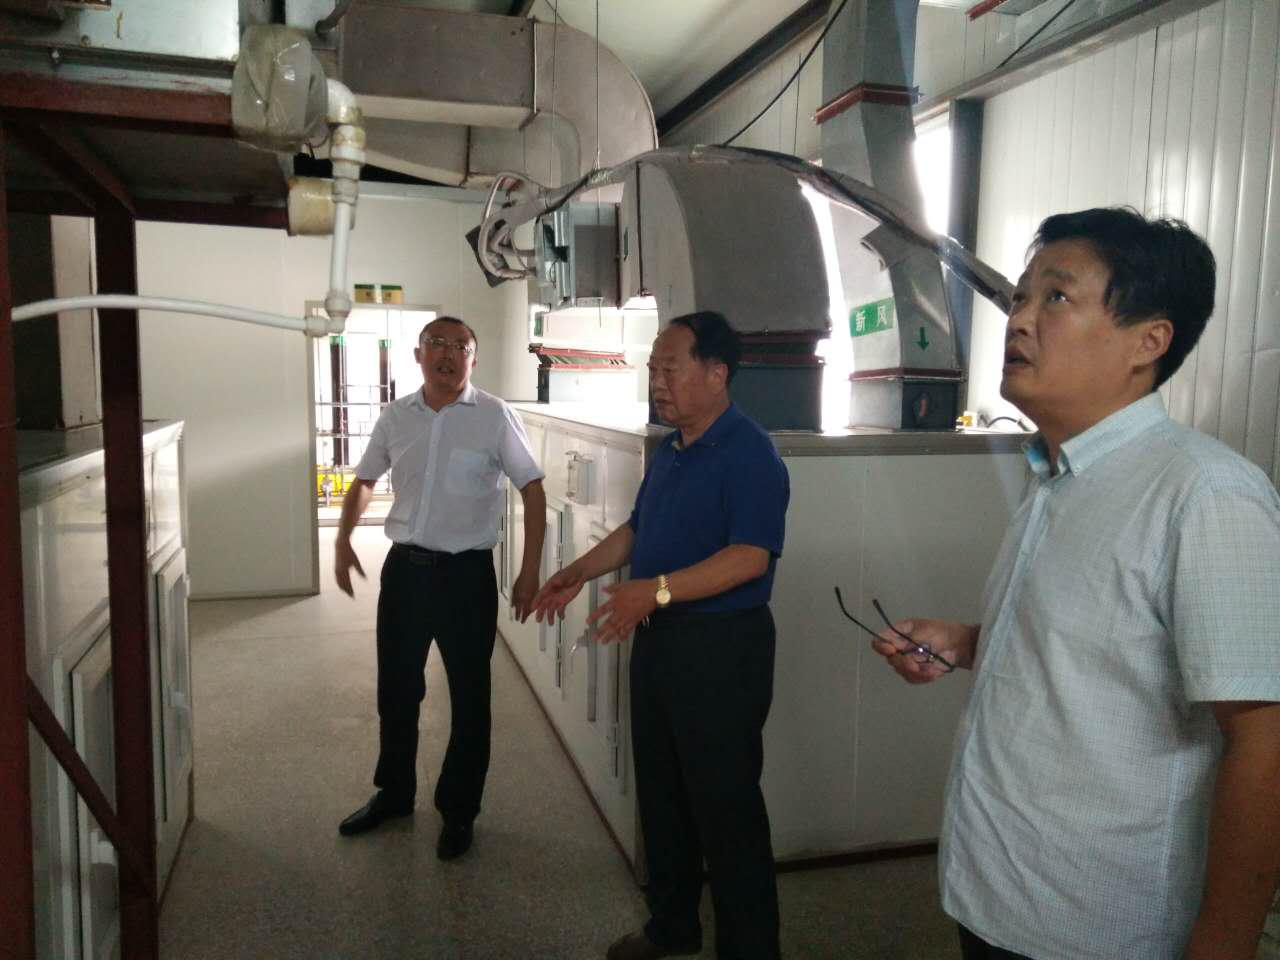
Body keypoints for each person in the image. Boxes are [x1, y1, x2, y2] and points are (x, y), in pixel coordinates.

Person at [871, 208, 1280, 960]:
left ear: (1148, 341)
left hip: (1097, 925)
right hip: (994, 891)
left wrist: (1223, 945)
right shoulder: (1056, 474)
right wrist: (966, 643)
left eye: (1056, 297)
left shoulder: (1205, 494)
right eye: (1020, 297)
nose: (1020, 319)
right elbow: (1100, 648)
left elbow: (1263, 736)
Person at [532, 311, 790, 960]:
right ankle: (674, 924)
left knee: (725, 809)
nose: (657, 381)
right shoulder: (673, 450)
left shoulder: (750, 452)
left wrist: (657, 590)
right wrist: (577, 571)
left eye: (670, 368)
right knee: (663, 794)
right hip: (661, 642)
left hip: (722, 651)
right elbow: (638, 529)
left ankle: (750, 950)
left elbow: (751, 556)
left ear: (717, 373)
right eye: (653, 369)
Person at [335, 316, 546, 861]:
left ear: (474, 358)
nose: (447, 354)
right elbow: (364, 480)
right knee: (396, 690)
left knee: (471, 697)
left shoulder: (495, 416)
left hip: (466, 577)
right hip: (404, 573)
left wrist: (529, 570)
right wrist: (342, 539)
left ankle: (459, 810)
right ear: (418, 354)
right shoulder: (396, 416)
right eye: (437, 344)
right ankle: (394, 793)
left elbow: (533, 488)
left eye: (460, 346)